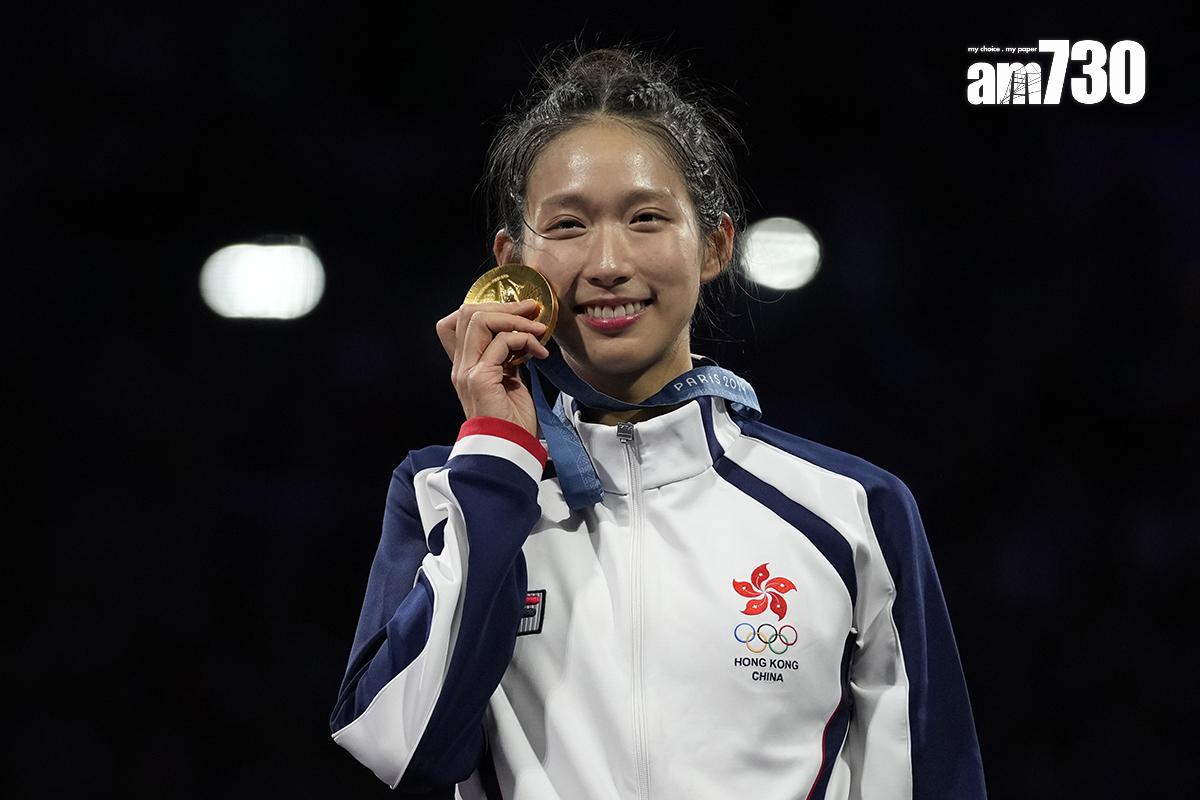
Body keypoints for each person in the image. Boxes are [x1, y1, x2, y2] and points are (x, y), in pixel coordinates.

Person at [329, 46, 986, 799]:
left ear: (712, 245)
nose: (608, 261)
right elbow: (406, 750)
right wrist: (499, 458)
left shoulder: (853, 512)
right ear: (513, 262)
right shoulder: (447, 491)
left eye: (646, 219)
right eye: (568, 226)